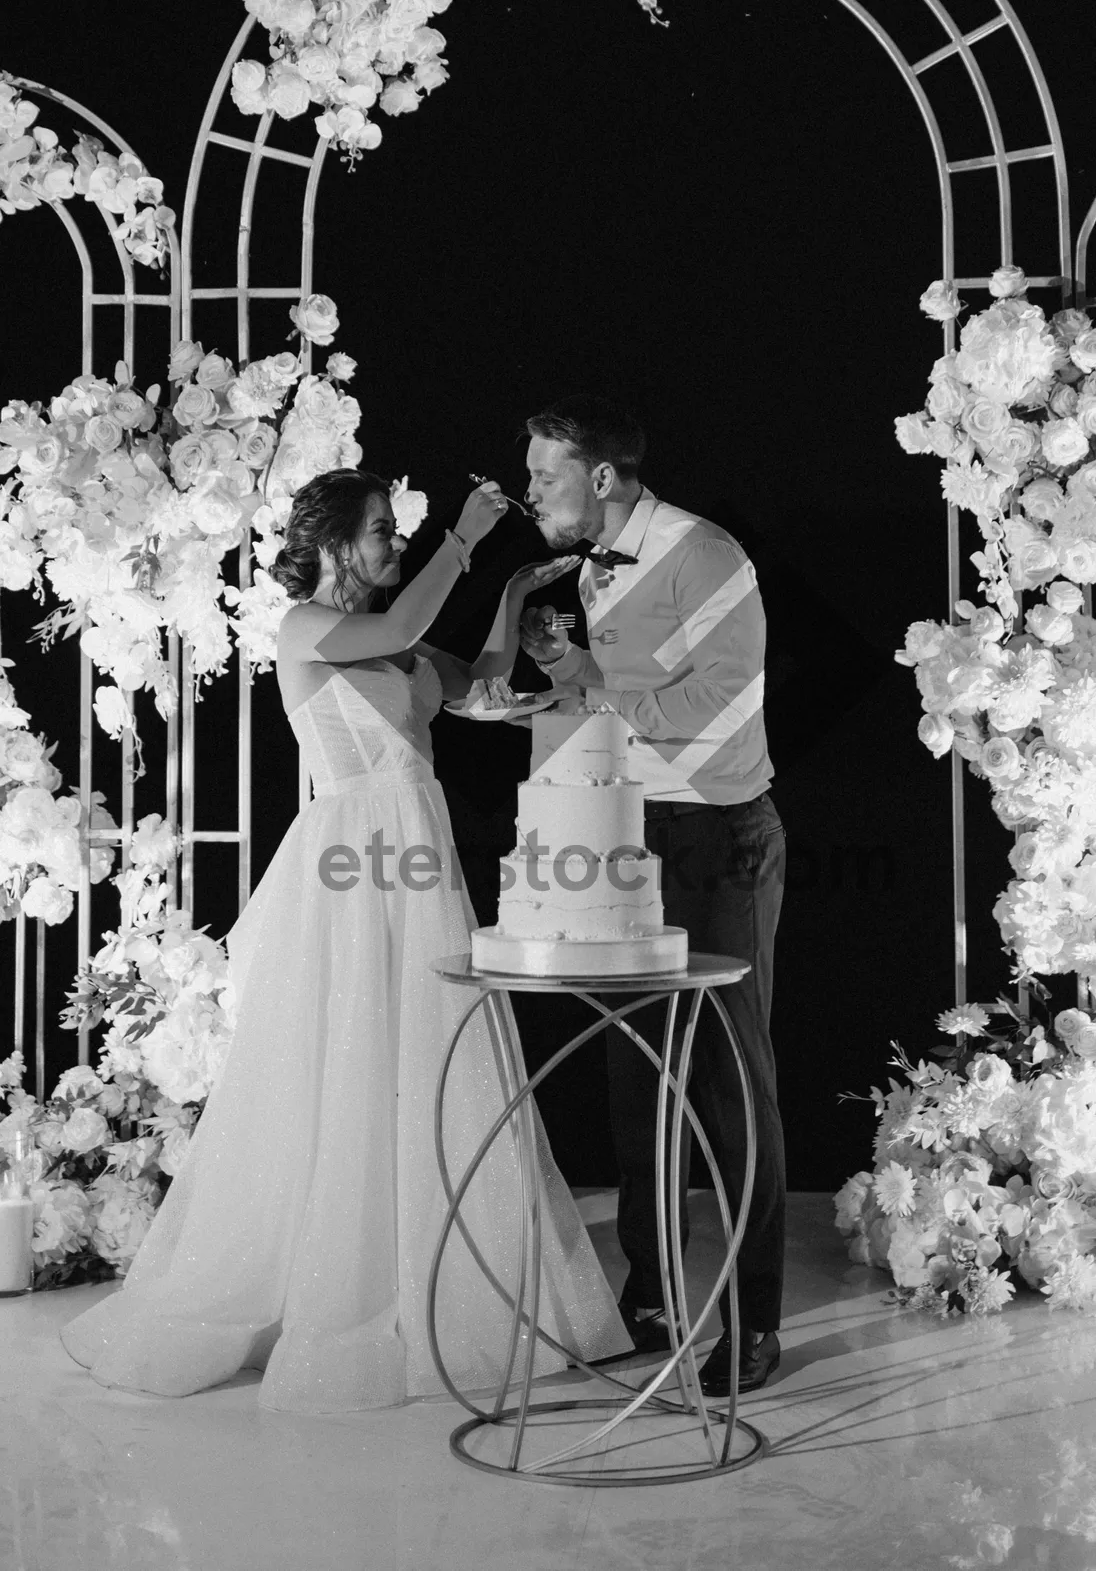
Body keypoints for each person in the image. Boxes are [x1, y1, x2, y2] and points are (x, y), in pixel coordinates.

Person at [61, 468, 631, 1411]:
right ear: (329, 545)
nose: (392, 546)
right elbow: (403, 627)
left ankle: (436, 1274)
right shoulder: (307, 631)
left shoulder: (399, 650)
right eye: (379, 533)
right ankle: (327, 1279)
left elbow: (480, 688)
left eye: (394, 534)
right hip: (354, 859)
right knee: (346, 1054)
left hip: (419, 853)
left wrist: (509, 595)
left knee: (429, 1050)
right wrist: (464, 539)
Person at [519, 397, 787, 1396]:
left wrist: (597, 694)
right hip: (629, 834)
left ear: (599, 477)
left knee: (726, 1083)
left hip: (722, 835)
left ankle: (756, 1322)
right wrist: (568, 665)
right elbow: (627, 701)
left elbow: (720, 703)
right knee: (639, 1078)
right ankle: (651, 1293)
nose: (530, 489)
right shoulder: (594, 566)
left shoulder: (704, 553)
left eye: (545, 474)